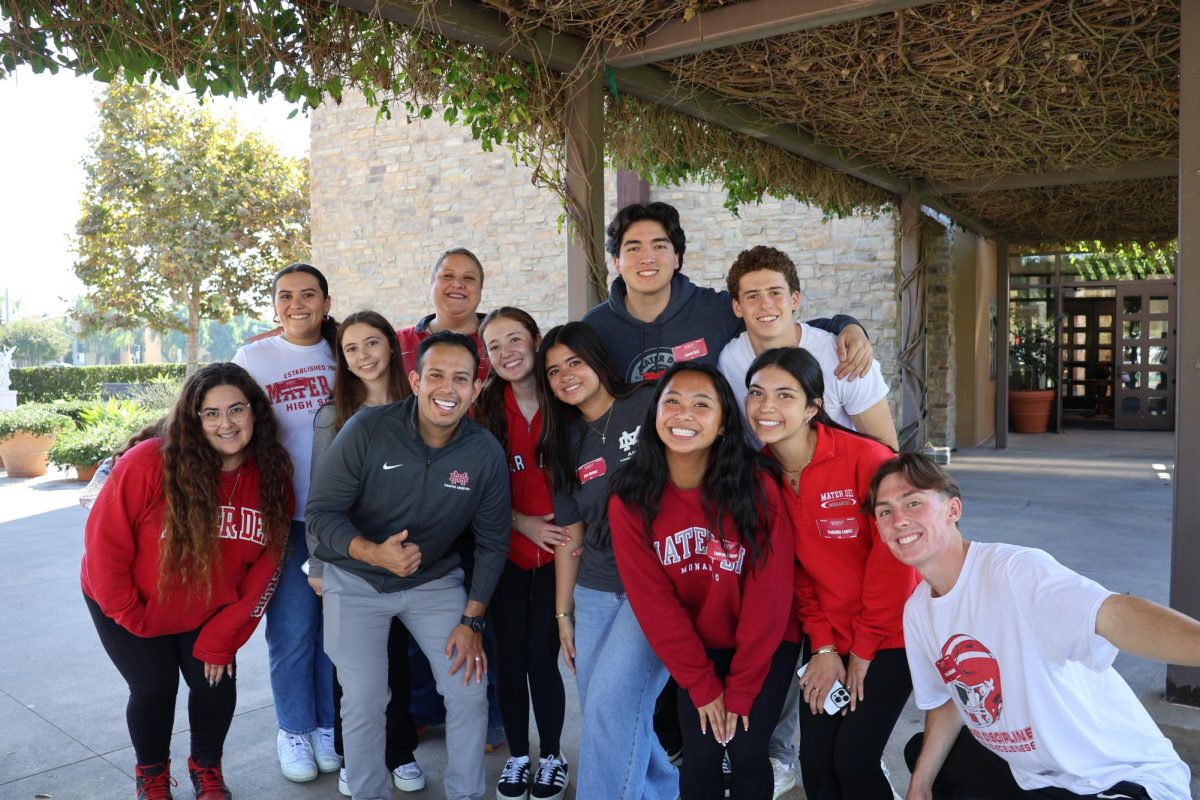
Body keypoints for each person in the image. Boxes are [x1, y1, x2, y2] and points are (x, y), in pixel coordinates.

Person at [866, 453, 1198, 800]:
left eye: (913, 503)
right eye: (885, 511)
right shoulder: (919, 610)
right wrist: (918, 786)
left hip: (1115, 777)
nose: (899, 520)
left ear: (952, 511)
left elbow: (1114, 615)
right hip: (1036, 778)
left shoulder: (1014, 572)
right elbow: (949, 700)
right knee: (926, 757)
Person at [306, 331, 511, 800]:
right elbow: (321, 513)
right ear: (415, 380)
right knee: (363, 700)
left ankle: (466, 793)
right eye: (436, 375)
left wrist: (471, 620)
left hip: (434, 582)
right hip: (355, 577)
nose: (448, 388)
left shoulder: (483, 454)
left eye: (461, 378)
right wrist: (371, 551)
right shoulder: (367, 428)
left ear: (476, 389)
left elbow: (494, 541)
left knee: (467, 690)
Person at [81, 362, 293, 800]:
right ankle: (153, 775)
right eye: (210, 413)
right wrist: (131, 615)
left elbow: (266, 567)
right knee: (154, 687)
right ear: (193, 419)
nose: (225, 423)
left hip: (208, 607)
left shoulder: (272, 476)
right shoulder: (149, 464)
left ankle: (206, 768)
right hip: (130, 602)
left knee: (216, 682)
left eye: (236, 409)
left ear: (255, 411)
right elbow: (105, 549)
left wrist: (224, 634)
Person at [610, 363, 797, 800]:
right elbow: (654, 604)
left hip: (765, 643)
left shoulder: (755, 487)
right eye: (672, 401)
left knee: (748, 749)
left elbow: (769, 598)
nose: (683, 414)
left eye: (701, 404)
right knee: (701, 753)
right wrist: (703, 684)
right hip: (699, 642)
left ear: (722, 424)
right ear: (655, 414)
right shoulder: (631, 499)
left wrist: (742, 687)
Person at [745, 347, 917, 799]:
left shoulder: (867, 460)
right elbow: (793, 572)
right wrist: (822, 645)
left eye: (784, 395)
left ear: (812, 408)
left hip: (892, 635)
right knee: (817, 767)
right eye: (756, 393)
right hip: (827, 637)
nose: (766, 407)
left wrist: (860, 649)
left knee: (854, 761)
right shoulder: (758, 475)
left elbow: (895, 562)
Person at [535, 321, 676, 800]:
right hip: (594, 587)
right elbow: (569, 533)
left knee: (610, 708)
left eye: (574, 361)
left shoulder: (650, 402)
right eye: (554, 371)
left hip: (655, 584)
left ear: (597, 359)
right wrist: (563, 612)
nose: (566, 376)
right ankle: (663, 791)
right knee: (608, 707)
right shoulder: (564, 442)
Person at [306, 311, 425, 795]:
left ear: (391, 348)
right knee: (355, 669)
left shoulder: (418, 406)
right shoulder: (332, 416)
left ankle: (398, 752)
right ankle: (357, 757)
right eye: (351, 349)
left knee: (398, 661)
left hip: (412, 554)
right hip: (351, 556)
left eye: (372, 344)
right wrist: (318, 561)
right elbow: (319, 495)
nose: (363, 356)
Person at [233, 262, 339, 782]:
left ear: (326, 301)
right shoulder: (254, 357)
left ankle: (325, 725)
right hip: (286, 519)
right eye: (285, 295)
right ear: (274, 304)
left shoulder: (344, 353)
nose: (297, 304)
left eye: (308, 294)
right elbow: (226, 423)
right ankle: (293, 729)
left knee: (333, 636)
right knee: (293, 632)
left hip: (343, 523)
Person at [582, 201, 874, 384]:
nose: (647, 258)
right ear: (617, 262)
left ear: (677, 258)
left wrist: (847, 325)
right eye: (633, 248)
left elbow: (780, 325)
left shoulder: (715, 309)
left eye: (660, 246)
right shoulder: (594, 328)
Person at [474, 307, 570, 800]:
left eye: (516, 339)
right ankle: (517, 755)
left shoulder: (565, 398)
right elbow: (471, 491)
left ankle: (552, 755)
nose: (508, 352)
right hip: (505, 555)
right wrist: (520, 522)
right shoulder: (484, 410)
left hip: (560, 558)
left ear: (535, 340)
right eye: (495, 346)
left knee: (541, 658)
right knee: (508, 659)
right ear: (486, 357)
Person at [720, 245, 898, 450]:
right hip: (767, 477)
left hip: (841, 477)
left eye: (775, 292)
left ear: (794, 299)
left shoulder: (844, 357)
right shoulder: (729, 360)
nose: (765, 304)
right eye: (753, 296)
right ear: (737, 307)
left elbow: (887, 452)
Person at [397, 247, 492, 382]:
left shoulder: (501, 342)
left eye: (469, 278)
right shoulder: (396, 343)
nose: (458, 284)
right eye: (447, 276)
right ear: (432, 284)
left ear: (481, 288)